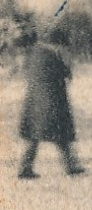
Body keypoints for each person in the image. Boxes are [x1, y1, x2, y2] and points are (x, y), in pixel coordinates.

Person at [18, 27, 84, 179]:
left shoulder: (35, 53)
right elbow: (66, 73)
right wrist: (68, 67)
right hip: (53, 102)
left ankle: (25, 168)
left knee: (35, 136)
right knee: (61, 136)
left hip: (35, 103)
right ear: (58, 43)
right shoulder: (52, 55)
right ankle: (71, 165)